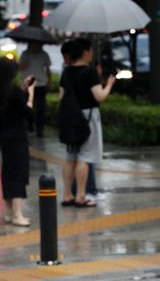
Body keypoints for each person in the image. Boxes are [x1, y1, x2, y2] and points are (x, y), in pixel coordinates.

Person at [60, 38, 115, 208]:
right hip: (88, 117)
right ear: (85, 52)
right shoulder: (89, 72)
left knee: (70, 157)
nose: (91, 54)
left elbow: (61, 97)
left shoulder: (66, 72)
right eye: (90, 51)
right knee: (85, 156)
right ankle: (81, 196)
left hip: (69, 117)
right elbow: (100, 96)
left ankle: (67, 194)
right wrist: (109, 84)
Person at [0, 58, 35, 227]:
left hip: (4, 137)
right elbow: (28, 113)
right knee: (18, 173)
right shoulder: (15, 92)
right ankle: (18, 214)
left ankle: (8, 212)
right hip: (17, 137)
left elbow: (12, 104)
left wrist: (23, 88)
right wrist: (30, 95)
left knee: (7, 172)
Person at [19, 41, 51, 137]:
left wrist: (49, 81)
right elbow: (20, 67)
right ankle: (30, 124)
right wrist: (25, 63)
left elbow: (47, 69)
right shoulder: (25, 54)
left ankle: (40, 129)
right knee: (28, 107)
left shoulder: (44, 54)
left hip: (41, 84)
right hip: (28, 84)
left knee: (41, 108)